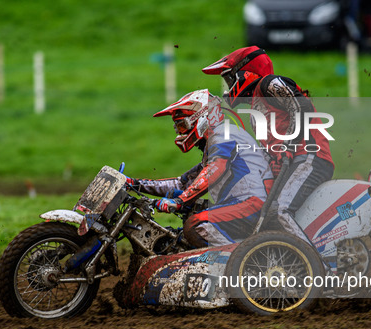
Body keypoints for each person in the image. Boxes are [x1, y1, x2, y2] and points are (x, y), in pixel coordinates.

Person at [202, 46, 334, 246]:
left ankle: (318, 267)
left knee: (280, 210)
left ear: (245, 71)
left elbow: (301, 106)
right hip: (294, 162)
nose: (228, 86)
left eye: (230, 79)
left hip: (309, 156)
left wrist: (290, 144)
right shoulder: (257, 101)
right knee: (268, 216)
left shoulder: (268, 83)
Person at [126, 89, 273, 248]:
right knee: (181, 205)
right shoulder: (215, 142)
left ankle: (235, 264)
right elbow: (181, 184)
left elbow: (215, 169)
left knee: (195, 225)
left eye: (182, 125)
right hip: (242, 203)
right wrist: (133, 184)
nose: (180, 131)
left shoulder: (224, 134)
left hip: (252, 204)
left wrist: (179, 201)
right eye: (178, 128)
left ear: (202, 118)